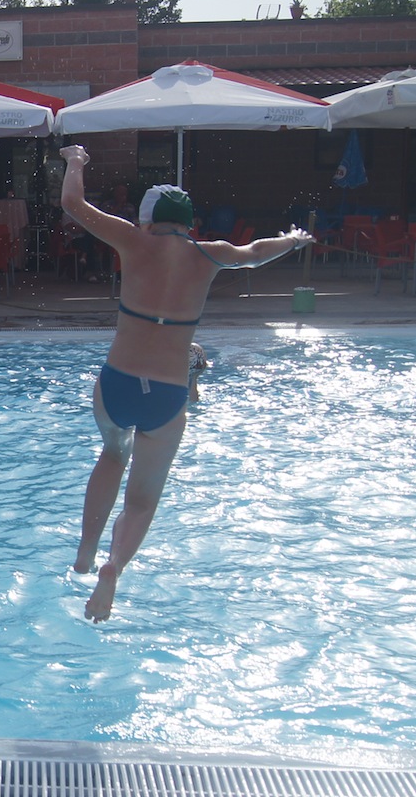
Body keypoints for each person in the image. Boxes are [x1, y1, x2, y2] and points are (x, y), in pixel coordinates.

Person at [60, 146, 313, 621]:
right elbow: (256, 254)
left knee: (113, 454)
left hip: (117, 384)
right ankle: (113, 567)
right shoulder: (209, 254)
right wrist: (294, 239)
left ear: (147, 221)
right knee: (142, 500)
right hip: (168, 395)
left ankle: (85, 553)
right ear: (188, 224)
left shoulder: (133, 241)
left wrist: (76, 160)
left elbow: (73, 204)